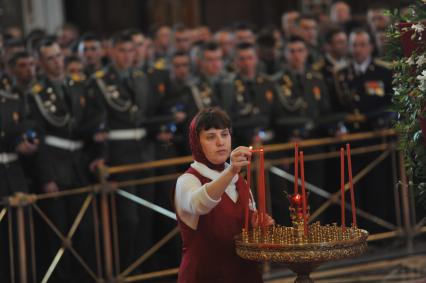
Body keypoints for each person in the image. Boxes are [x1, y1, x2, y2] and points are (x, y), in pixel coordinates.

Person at [174, 107, 274, 283]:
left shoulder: (240, 181)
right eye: (211, 137)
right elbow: (199, 204)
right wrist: (232, 171)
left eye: (225, 134)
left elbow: (247, 224)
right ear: (197, 143)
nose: (221, 142)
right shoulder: (187, 180)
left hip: (245, 274)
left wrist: (259, 225)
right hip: (205, 276)